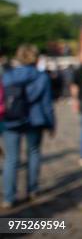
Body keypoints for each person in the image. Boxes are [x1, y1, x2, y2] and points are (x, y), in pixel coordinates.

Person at [2, 44, 54, 208]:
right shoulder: (41, 77)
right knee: (34, 153)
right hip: (35, 119)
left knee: (11, 159)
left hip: (11, 119)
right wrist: (51, 123)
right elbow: (47, 104)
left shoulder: (7, 76)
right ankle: (32, 189)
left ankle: (9, 197)